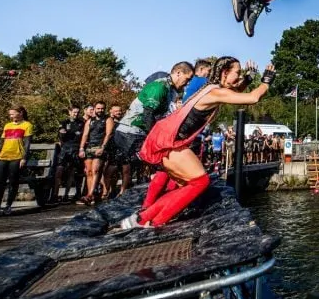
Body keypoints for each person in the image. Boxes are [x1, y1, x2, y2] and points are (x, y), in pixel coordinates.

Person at [119, 58, 275, 228]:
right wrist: (266, 81)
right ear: (224, 73)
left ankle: (143, 218)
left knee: (188, 184)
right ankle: (150, 221)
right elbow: (253, 97)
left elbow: (237, 90)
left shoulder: (213, 88)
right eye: (237, 73)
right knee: (200, 182)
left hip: (169, 137)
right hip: (169, 139)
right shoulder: (215, 92)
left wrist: (249, 78)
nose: (239, 77)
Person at [109, 62, 194, 197]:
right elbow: (148, 115)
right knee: (162, 163)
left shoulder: (169, 89)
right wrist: (155, 138)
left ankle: (165, 195)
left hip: (137, 132)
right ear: (178, 73)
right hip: (130, 133)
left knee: (163, 163)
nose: (187, 83)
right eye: (187, 79)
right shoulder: (159, 86)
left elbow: (161, 117)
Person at [0, 106, 32, 215]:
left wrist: (24, 158)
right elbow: (1, 142)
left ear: (20, 113)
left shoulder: (27, 125)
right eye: (10, 114)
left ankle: (8, 205)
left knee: (13, 181)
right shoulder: (7, 125)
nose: (10, 116)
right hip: (2, 157)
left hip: (16, 157)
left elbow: (27, 144)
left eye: (12, 113)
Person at [77, 101, 110, 205]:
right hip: (89, 147)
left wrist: (103, 147)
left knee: (96, 170)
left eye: (102, 108)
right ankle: (91, 195)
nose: (100, 110)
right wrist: (81, 148)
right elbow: (85, 135)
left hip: (100, 146)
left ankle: (90, 195)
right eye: (98, 108)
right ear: (95, 109)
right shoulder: (90, 121)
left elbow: (108, 134)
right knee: (89, 171)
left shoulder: (108, 119)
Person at [52, 105, 84, 203]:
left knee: (71, 172)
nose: (76, 114)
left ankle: (66, 195)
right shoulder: (64, 122)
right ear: (69, 112)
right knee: (59, 171)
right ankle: (55, 195)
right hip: (65, 148)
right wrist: (63, 134)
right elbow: (61, 135)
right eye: (74, 112)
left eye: (77, 112)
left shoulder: (81, 123)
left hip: (75, 148)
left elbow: (81, 135)